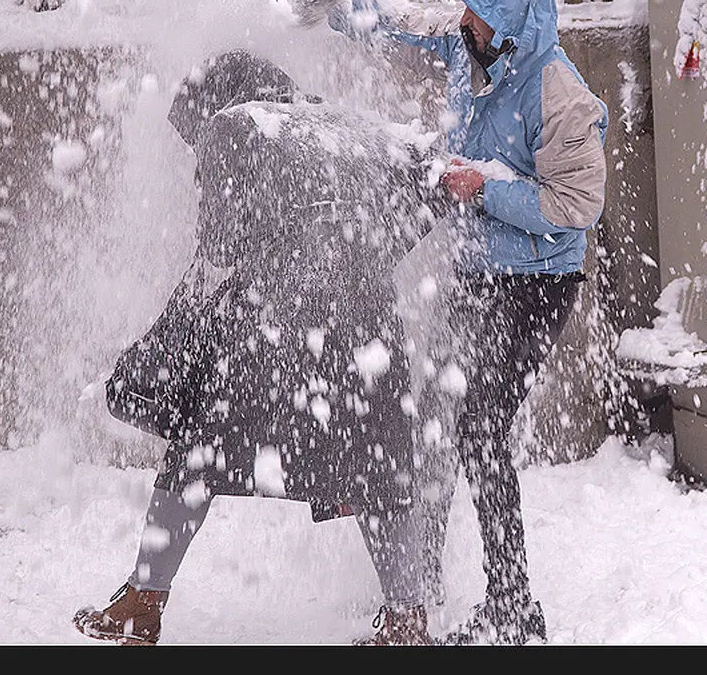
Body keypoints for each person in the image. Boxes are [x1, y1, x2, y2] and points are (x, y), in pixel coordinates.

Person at [71, 50, 439, 646]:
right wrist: (357, 263)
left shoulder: (233, 126)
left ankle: (143, 602)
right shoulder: (338, 126)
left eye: (193, 136)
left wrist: (184, 321)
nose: (195, 150)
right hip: (368, 330)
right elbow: (426, 184)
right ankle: (406, 619)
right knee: (376, 461)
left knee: (198, 450)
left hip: (282, 337)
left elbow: (221, 246)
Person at [340, 0, 608, 645]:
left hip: (538, 281)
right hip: (478, 271)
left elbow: (577, 205)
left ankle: (514, 609)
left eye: (478, 13)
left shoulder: (558, 91)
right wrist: (345, 9)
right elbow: (415, 26)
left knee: (481, 429)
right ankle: (417, 595)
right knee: (436, 419)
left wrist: (483, 187)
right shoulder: (471, 47)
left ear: (511, 25)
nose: (463, 21)